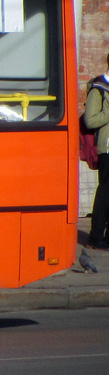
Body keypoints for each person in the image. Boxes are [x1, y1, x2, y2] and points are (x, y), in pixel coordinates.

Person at [83, 56, 109, 249]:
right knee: (105, 194)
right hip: (107, 148)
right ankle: (96, 238)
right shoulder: (98, 89)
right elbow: (90, 121)